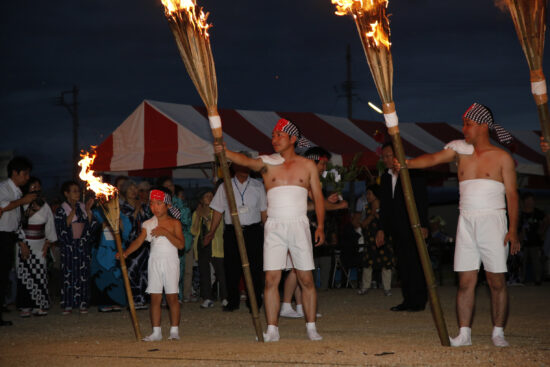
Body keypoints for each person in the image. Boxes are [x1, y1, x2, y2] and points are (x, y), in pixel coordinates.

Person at [402, 103, 520, 347]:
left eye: (468, 124)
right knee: (465, 281)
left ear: (483, 126)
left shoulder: (502, 157)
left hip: (493, 220)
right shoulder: (459, 150)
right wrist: (407, 163)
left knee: (495, 281)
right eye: (464, 123)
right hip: (466, 220)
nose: (464, 128)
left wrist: (513, 230)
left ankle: (498, 332)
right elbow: (433, 158)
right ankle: (464, 333)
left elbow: (512, 195)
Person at [214, 118, 325, 342]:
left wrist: (321, 225)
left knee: (306, 278)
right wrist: (226, 152)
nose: (274, 139)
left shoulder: (308, 165)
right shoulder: (267, 162)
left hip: (299, 224)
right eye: (273, 135)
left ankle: (311, 326)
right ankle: (272, 328)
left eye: (279, 135)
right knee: (271, 278)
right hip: (274, 226)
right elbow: (245, 161)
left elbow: (318, 199)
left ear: (293, 139)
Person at [280, 146, 347, 318]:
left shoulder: (307, 176)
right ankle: (287, 305)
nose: (325, 168)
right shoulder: (306, 177)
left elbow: (315, 203)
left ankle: (301, 306)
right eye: (323, 164)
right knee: (297, 268)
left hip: (300, 225)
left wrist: (327, 201)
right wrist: (338, 205)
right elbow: (316, 204)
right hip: (295, 225)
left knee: (299, 268)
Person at [118, 187, 185, 341]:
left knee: (172, 298)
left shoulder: (175, 223)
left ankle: (174, 330)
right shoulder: (148, 223)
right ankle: (156, 332)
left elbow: (181, 245)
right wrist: (126, 252)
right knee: (155, 298)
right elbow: (139, 241)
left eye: (159, 203)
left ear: (168, 205)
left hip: (170, 263)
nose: (154, 207)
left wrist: (165, 233)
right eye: (152, 203)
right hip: (154, 262)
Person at [205, 156, 267, 313]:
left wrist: (268, 231)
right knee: (231, 267)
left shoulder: (258, 186)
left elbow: (263, 211)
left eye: (247, 165)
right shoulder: (225, 186)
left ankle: (255, 302)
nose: (244, 168)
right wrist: (211, 232)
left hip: (253, 231)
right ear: (233, 167)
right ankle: (232, 301)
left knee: (255, 267)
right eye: (241, 165)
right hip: (232, 232)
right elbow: (218, 210)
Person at [376, 142, 429, 312]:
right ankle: (407, 300)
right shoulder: (385, 177)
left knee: (415, 263)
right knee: (403, 264)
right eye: (384, 157)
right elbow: (384, 206)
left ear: (398, 155)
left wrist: (424, 225)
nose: (386, 159)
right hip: (395, 227)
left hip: (413, 225)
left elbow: (422, 201)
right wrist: (381, 228)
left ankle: (419, 300)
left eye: (389, 156)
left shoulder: (413, 174)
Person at [0, 156, 36, 325]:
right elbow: (2, 207)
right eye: (25, 173)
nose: (27, 177)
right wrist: (23, 201)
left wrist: (21, 242)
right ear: (15, 173)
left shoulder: (17, 192)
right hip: (1, 235)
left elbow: (16, 221)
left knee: (4, 274)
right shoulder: (3, 188)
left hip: (9, 236)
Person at [54, 181, 97, 315]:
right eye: (73, 191)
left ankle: (83, 303)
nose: (77, 193)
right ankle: (68, 303)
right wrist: (73, 211)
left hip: (82, 246)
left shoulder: (83, 207)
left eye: (78, 191)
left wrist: (88, 211)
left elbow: (91, 225)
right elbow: (61, 226)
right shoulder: (62, 209)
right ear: (66, 193)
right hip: (69, 246)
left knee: (83, 274)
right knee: (69, 275)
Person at [16, 177, 57, 317]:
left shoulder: (44, 205)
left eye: (38, 187)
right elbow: (16, 225)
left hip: (39, 244)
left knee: (40, 275)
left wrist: (47, 244)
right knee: (24, 275)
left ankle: (39, 304)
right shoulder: (20, 204)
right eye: (33, 187)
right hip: (23, 243)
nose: (36, 190)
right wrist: (22, 244)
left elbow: (50, 225)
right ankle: (25, 305)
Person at [91, 203, 131, 312]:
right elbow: (90, 228)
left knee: (117, 276)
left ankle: (118, 301)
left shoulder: (122, 216)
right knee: (102, 277)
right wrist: (102, 225)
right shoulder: (97, 213)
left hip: (116, 250)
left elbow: (127, 233)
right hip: (102, 251)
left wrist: (119, 223)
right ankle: (103, 303)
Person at [191, 189, 227, 308]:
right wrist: (198, 217)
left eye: (212, 196)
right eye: (206, 196)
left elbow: (216, 228)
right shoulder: (197, 213)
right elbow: (193, 231)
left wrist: (205, 218)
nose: (210, 198)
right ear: (201, 199)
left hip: (215, 245)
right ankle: (207, 298)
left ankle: (225, 297)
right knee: (204, 273)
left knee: (221, 272)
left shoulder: (217, 211)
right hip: (201, 246)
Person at [120, 180, 152, 310]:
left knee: (145, 271)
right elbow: (128, 225)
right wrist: (137, 209)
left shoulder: (145, 206)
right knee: (132, 271)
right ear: (125, 192)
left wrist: (141, 208)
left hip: (144, 243)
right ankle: (134, 300)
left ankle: (144, 299)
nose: (134, 191)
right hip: (131, 243)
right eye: (130, 189)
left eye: (135, 188)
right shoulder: (123, 208)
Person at [357, 184, 394, 296]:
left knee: (386, 264)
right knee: (367, 264)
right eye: (367, 193)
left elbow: (389, 222)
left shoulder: (385, 207)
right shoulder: (366, 208)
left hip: (384, 240)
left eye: (369, 193)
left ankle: (387, 288)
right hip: (370, 240)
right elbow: (362, 224)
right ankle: (365, 287)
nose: (367, 196)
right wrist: (372, 215)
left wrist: (377, 215)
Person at [518, 192, 548, 285]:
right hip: (523, 243)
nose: (529, 202)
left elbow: (547, 220)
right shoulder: (520, 214)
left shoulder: (539, 213)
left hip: (536, 243)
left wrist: (542, 230)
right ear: (523, 202)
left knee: (537, 263)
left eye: (531, 200)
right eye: (527, 200)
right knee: (521, 262)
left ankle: (538, 280)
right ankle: (520, 280)